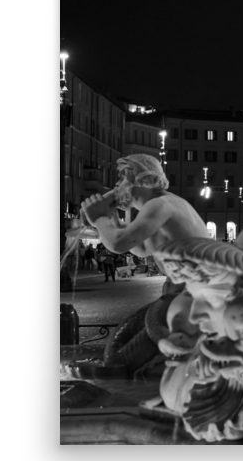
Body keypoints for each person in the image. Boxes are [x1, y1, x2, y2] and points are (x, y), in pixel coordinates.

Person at [82, 154, 210, 372]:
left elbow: (119, 243)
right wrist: (111, 218)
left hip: (192, 296)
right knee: (121, 340)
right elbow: (140, 249)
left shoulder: (160, 205)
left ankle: (122, 384)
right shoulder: (168, 204)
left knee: (122, 356)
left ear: (141, 180)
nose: (116, 186)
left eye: (122, 179)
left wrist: (99, 219)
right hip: (184, 294)